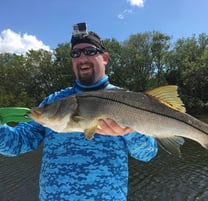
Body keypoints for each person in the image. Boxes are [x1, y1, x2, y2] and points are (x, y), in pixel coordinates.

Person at [0, 22, 158, 201]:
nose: (82, 57)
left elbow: (148, 153)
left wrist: (130, 132)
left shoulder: (128, 100)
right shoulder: (53, 102)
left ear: (104, 57)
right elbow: (16, 144)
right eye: (75, 53)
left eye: (90, 51)